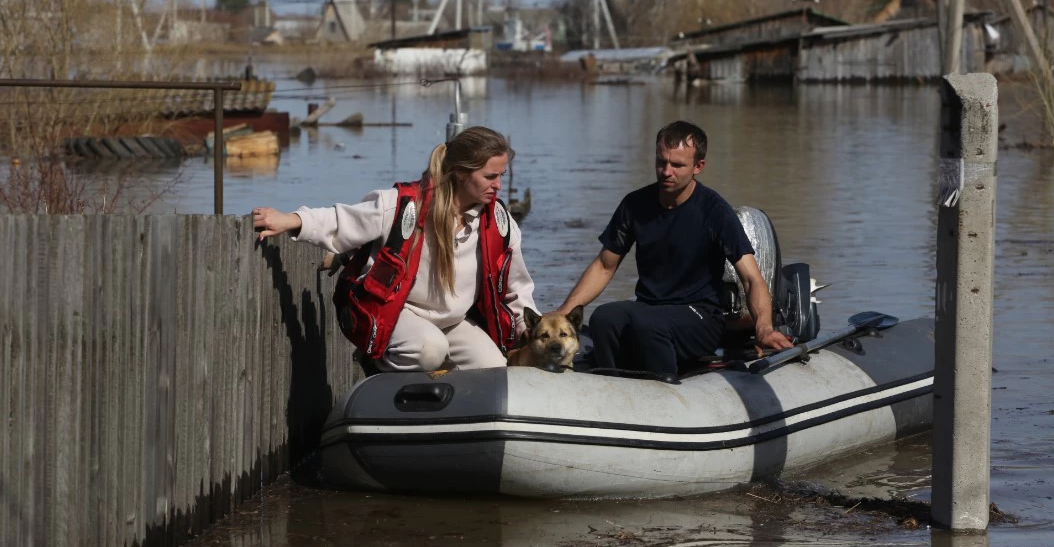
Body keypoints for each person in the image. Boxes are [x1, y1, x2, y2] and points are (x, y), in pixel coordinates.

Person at [252, 126, 536, 374]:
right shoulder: (405, 205)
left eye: (501, 175)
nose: (498, 185)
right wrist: (292, 220)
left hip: (453, 320)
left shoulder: (500, 223)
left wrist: (533, 330)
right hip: (396, 310)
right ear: (461, 173)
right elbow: (343, 220)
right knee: (430, 349)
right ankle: (378, 363)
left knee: (495, 370)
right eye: (490, 176)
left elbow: (517, 287)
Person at [555, 120, 792, 378]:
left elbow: (751, 279)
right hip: (649, 307)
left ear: (698, 167)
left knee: (648, 324)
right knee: (604, 318)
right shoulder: (635, 205)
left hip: (699, 316)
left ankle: (665, 391)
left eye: (677, 165)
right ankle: (614, 385)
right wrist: (563, 313)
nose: (666, 171)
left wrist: (765, 328)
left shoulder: (716, 212)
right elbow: (604, 266)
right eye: (661, 162)